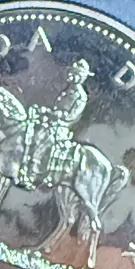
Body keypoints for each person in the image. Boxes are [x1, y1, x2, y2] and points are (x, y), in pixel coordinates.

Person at [19, 59, 94, 188]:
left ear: (81, 77)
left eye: (75, 73)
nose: (71, 74)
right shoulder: (67, 90)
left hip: (61, 127)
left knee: (42, 139)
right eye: (72, 72)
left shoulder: (80, 96)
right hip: (51, 120)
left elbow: (71, 116)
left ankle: (32, 172)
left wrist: (55, 114)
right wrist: (44, 111)